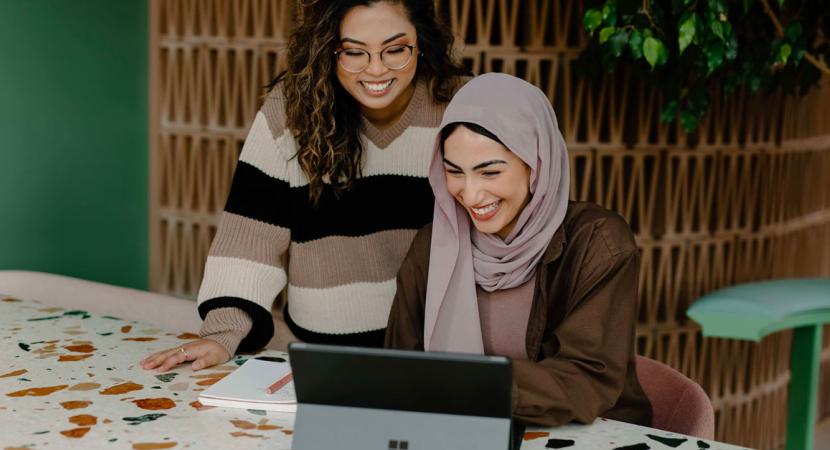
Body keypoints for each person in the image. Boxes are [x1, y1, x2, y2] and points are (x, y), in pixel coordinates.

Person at [142, 0, 467, 373]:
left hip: (436, 353)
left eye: (395, 50)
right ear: (328, 48)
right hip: (320, 356)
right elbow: (250, 237)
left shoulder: (458, 103)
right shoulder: (291, 110)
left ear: (420, 42)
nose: (376, 69)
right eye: (354, 53)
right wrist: (223, 332)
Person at [385, 73, 652, 427]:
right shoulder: (433, 246)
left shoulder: (598, 244)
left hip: (587, 435)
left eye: (490, 172)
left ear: (536, 163)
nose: (471, 194)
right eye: (455, 172)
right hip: (467, 433)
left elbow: (586, 379)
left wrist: (469, 386)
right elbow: (398, 365)